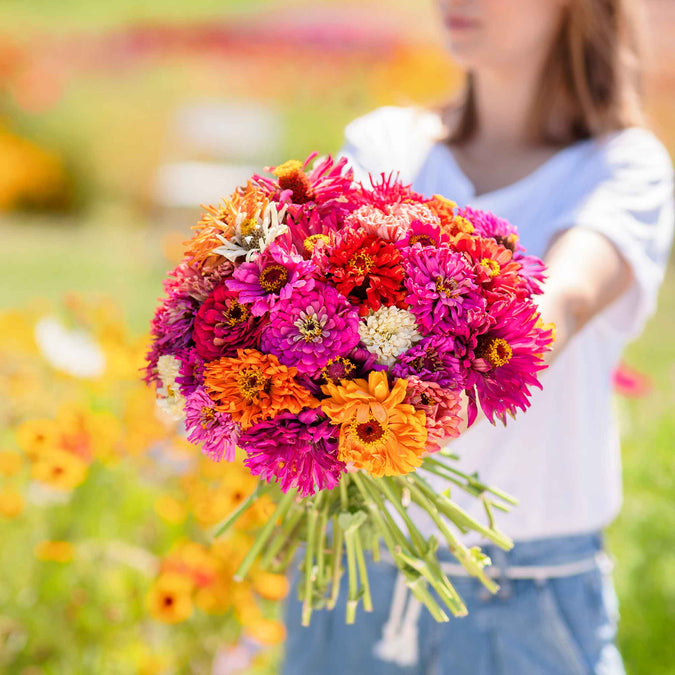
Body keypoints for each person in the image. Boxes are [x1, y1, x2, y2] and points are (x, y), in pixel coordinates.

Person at [281, 0, 674, 673]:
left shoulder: (622, 168)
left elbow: (568, 293)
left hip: (526, 597)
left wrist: (463, 388)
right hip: (356, 585)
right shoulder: (386, 146)